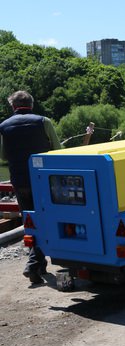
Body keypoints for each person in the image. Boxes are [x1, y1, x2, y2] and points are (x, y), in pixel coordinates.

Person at [0, 91, 61, 284]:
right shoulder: (44, 122)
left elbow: (2, 156)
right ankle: (34, 264)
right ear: (31, 104)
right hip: (43, 181)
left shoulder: (3, 126)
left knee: (30, 222)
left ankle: (38, 264)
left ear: (13, 106)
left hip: (20, 181)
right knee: (45, 220)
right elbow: (58, 150)